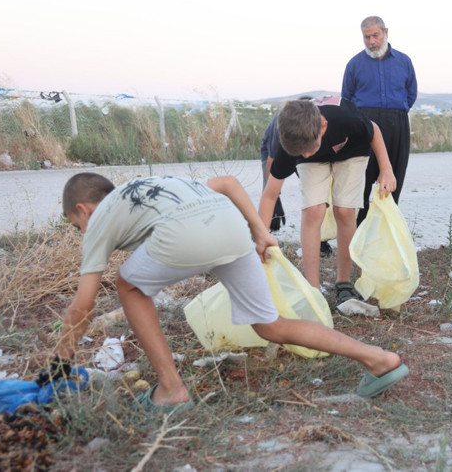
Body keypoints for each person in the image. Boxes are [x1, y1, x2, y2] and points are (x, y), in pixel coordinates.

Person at [37, 172, 409, 408]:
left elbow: (82, 306)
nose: (82, 233)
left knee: (129, 286)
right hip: (230, 224)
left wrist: (57, 366)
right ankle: (378, 359)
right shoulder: (150, 186)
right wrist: (261, 232)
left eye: (76, 225)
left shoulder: (99, 217)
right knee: (271, 325)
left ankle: (171, 389)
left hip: (190, 233)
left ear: (84, 210)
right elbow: (229, 183)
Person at [258, 99, 396, 313]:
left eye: (306, 150)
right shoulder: (293, 143)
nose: (304, 155)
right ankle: (312, 287)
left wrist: (386, 168)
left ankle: (343, 283)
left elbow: (374, 129)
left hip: (352, 150)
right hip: (313, 147)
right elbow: (269, 194)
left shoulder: (345, 120)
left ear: (323, 126)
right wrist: (260, 237)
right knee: (313, 211)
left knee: (345, 211)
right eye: (299, 153)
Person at [342, 15, 417, 226]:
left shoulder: (404, 61)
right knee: (362, 181)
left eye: (375, 35)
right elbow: (346, 99)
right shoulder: (354, 64)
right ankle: (360, 233)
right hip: (364, 126)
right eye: (367, 37)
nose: (372, 42)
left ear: (386, 32)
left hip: (397, 124)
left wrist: (395, 115)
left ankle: (386, 231)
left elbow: (410, 94)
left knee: (394, 177)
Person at [260, 106, 333, 257]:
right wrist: (276, 199)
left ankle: (320, 240)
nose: (305, 155)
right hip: (277, 151)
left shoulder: (314, 124)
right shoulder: (283, 132)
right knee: (270, 194)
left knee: (315, 195)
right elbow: (271, 164)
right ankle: (261, 239)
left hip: (309, 141)